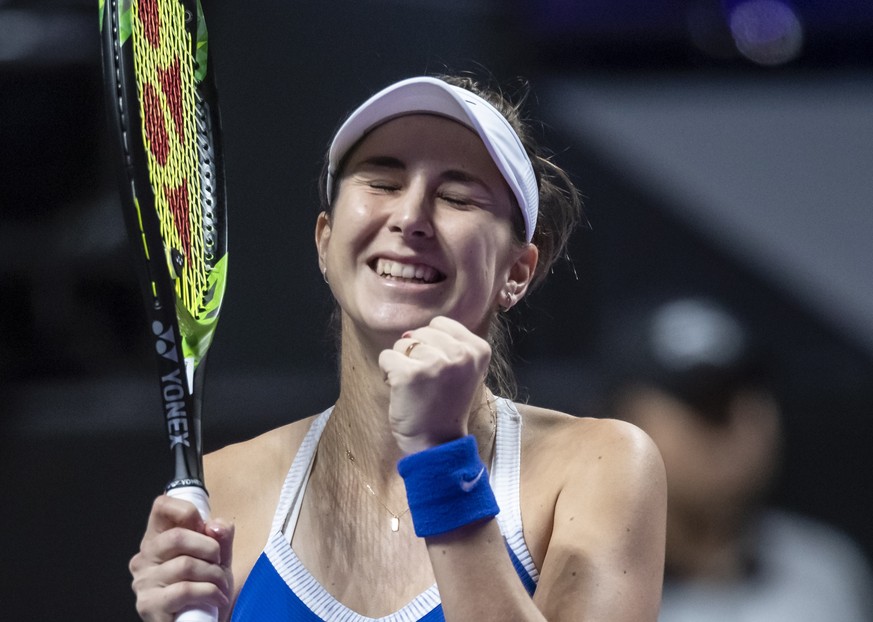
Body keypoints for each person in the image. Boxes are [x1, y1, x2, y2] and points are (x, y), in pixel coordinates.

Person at [129, 74, 667, 621]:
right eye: (382, 183)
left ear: (518, 272)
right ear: (325, 240)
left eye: (457, 197)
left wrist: (440, 458)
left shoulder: (601, 467)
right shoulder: (223, 487)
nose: (410, 218)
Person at [602, 296, 873, 622]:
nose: (745, 422)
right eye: (708, 402)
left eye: (754, 392)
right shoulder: (579, 585)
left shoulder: (825, 570)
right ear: (625, 419)